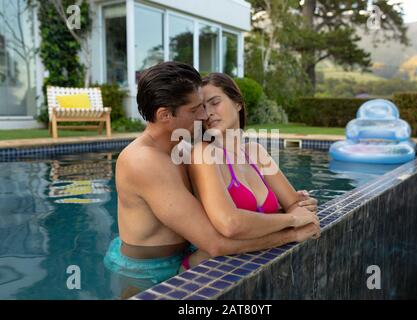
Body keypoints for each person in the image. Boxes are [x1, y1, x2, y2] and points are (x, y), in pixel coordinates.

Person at [103, 62, 320, 297]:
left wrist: (292, 202)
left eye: (209, 105)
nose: (205, 115)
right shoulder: (142, 161)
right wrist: (292, 232)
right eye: (196, 109)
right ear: (165, 115)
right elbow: (216, 243)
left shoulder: (185, 148)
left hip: (184, 254)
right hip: (146, 272)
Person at [180, 73, 320, 271]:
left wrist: (296, 209)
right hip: (206, 274)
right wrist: (291, 220)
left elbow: (297, 204)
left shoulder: (256, 152)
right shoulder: (204, 153)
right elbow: (230, 224)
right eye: (202, 107)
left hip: (254, 267)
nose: (208, 113)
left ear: (237, 102)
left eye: (215, 102)